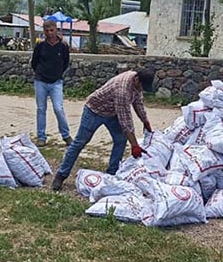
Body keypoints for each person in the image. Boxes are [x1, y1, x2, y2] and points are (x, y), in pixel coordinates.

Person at [51, 70, 155, 191]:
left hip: (112, 113)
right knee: (79, 142)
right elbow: (126, 121)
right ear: (137, 80)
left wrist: (145, 121)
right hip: (94, 111)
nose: (142, 90)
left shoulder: (137, 85)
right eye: (142, 87)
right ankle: (61, 175)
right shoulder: (122, 89)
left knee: (120, 140)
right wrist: (135, 145)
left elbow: (138, 104)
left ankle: (111, 174)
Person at [31, 19, 72, 147]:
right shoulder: (40, 46)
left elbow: (66, 62)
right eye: (47, 31)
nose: (50, 33)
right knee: (41, 109)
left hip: (56, 82)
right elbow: (34, 62)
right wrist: (40, 72)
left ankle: (66, 135)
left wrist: (58, 73)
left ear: (56, 30)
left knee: (58, 108)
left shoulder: (63, 46)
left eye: (52, 30)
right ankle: (41, 136)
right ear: (44, 31)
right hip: (41, 81)